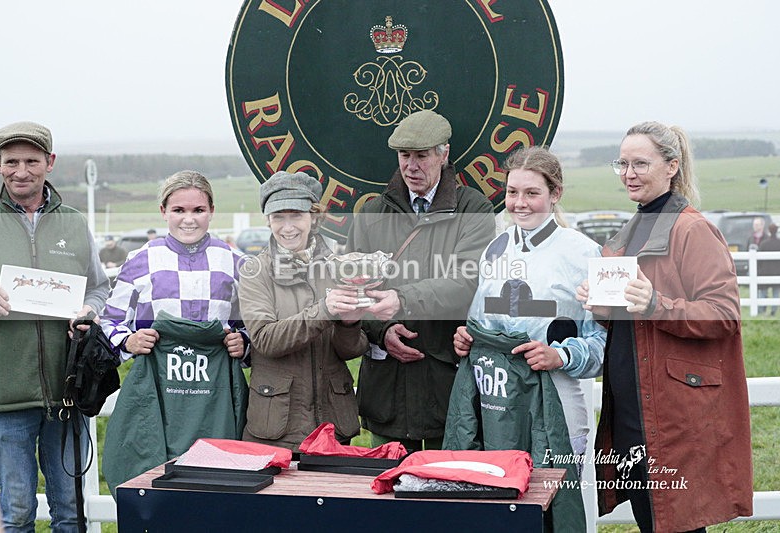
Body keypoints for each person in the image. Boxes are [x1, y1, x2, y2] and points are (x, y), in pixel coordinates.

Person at [576, 121, 752, 531]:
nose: (628, 173)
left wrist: (657, 304)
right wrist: (599, 303)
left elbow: (723, 314)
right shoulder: (626, 233)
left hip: (673, 415)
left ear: (672, 166)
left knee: (675, 524)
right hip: (631, 410)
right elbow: (626, 318)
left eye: (641, 163)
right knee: (651, 520)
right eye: (622, 163)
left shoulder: (693, 229)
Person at [445, 146, 605, 530]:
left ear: (555, 194)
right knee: (502, 509)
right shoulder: (494, 249)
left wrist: (561, 355)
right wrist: (466, 339)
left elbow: (604, 344)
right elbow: (479, 322)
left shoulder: (586, 253)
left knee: (559, 509)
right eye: (512, 192)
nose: (519, 203)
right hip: (500, 401)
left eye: (531, 193)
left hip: (560, 400)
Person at [0, 121, 110, 531]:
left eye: (32, 160)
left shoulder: (73, 223)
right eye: (12, 161)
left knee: (70, 512)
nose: (22, 170)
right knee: (16, 512)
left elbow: (98, 288)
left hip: (66, 390)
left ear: (49, 163)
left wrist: (87, 312)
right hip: (5, 394)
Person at [345, 110, 496, 451]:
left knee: (449, 492)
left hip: (446, 381)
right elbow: (354, 290)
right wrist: (382, 331)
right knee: (388, 492)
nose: (411, 166)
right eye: (404, 156)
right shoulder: (371, 214)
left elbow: (467, 281)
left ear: (444, 155)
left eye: (421, 156)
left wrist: (402, 298)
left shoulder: (474, 209)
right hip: (387, 389)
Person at [100, 170, 249, 493]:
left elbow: (251, 325)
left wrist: (244, 343)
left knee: (218, 484)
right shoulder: (141, 259)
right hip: (159, 393)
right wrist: (129, 340)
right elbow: (109, 320)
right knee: (160, 481)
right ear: (163, 212)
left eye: (198, 210)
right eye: (179, 210)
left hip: (215, 395)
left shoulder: (235, 261)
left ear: (211, 211)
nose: (189, 220)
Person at [239, 171, 368, 450]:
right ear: (268, 221)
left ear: (315, 216)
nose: (287, 227)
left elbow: (348, 352)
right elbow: (265, 340)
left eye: (296, 215)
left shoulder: (338, 267)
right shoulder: (254, 272)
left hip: (334, 426)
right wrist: (324, 310)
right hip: (278, 429)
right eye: (278, 217)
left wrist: (349, 325)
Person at [758, 222, 780, 315]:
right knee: (776, 292)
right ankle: (773, 311)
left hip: (765, 272)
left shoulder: (763, 244)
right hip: (777, 272)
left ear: (769, 231)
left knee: (763, 293)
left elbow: (759, 261)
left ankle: (761, 310)